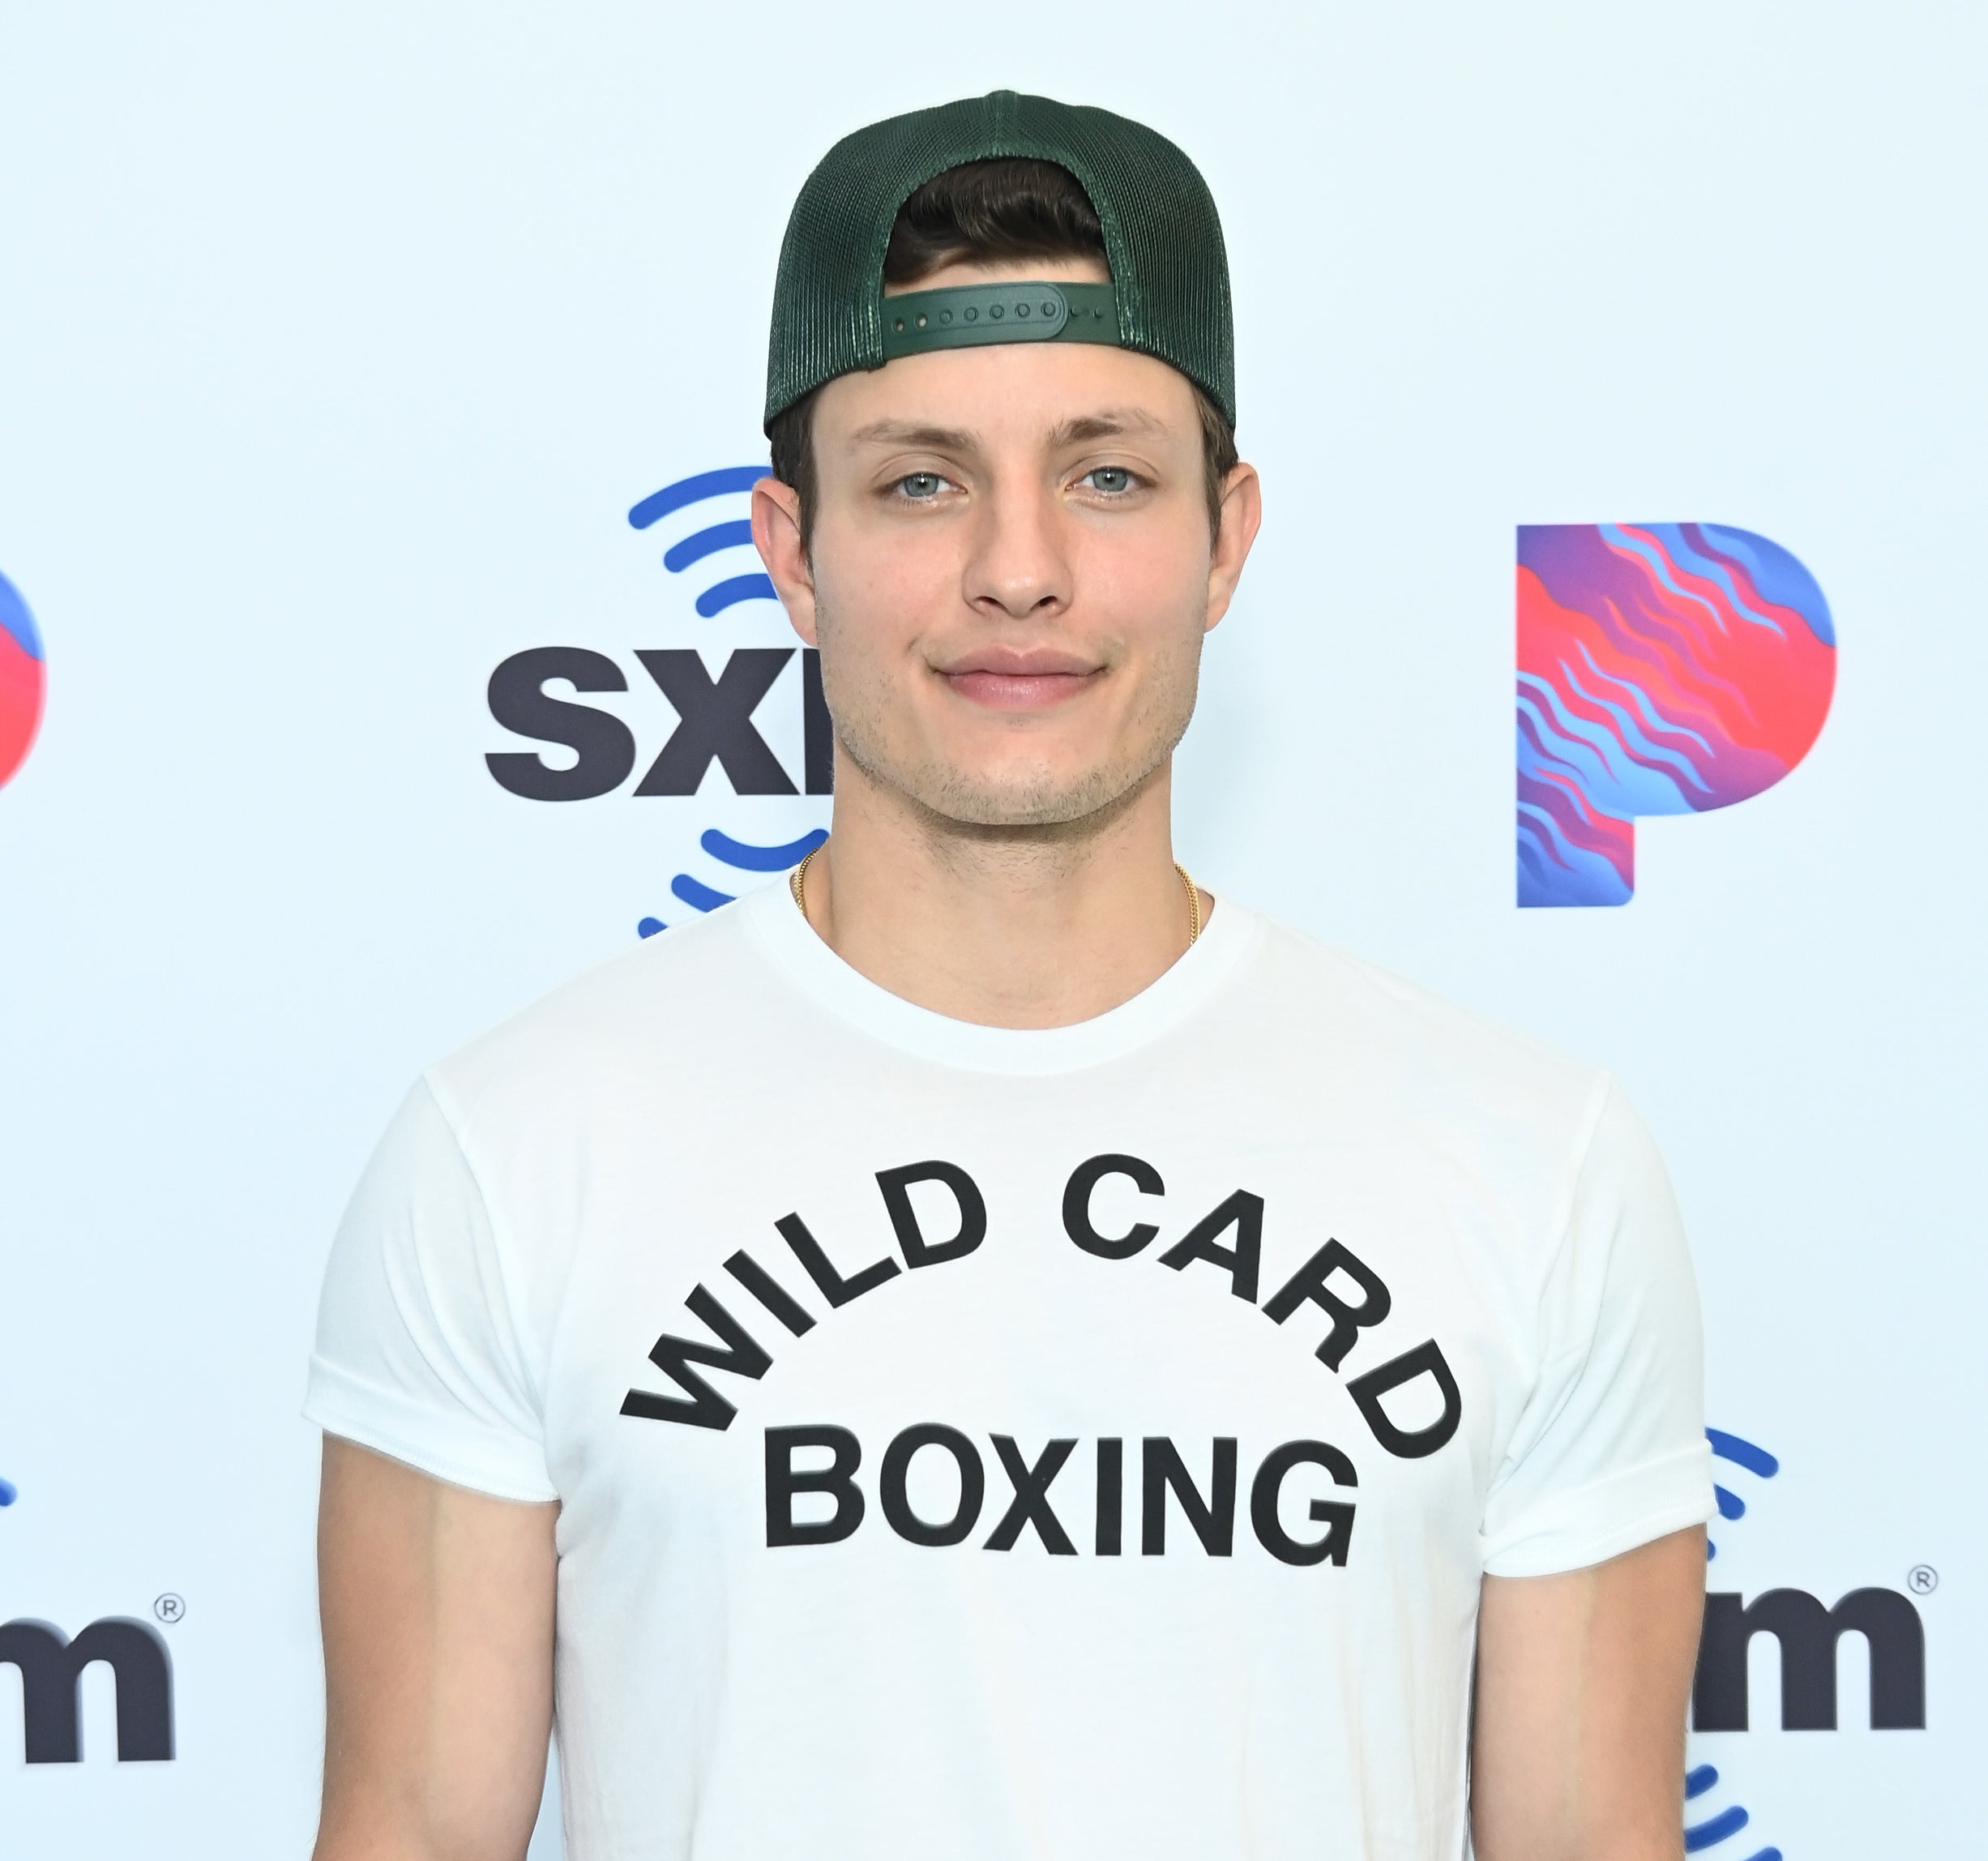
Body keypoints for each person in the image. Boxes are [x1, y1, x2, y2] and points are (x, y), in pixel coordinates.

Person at [306, 89, 1713, 1861]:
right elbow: (413, 1829)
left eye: (1106, 473)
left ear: (1227, 537)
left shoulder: (1534, 1160)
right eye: (919, 481)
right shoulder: (511, 1152)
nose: (1019, 570)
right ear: (788, 549)